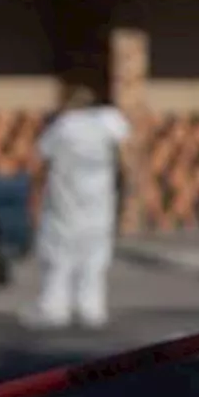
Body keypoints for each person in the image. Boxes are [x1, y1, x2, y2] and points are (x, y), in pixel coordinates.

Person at [22, 83, 131, 329]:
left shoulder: (63, 126)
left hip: (65, 200)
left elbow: (37, 159)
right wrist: (123, 189)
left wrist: (34, 194)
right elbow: (125, 158)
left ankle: (54, 307)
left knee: (58, 254)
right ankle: (91, 309)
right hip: (99, 199)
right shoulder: (109, 122)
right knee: (95, 254)